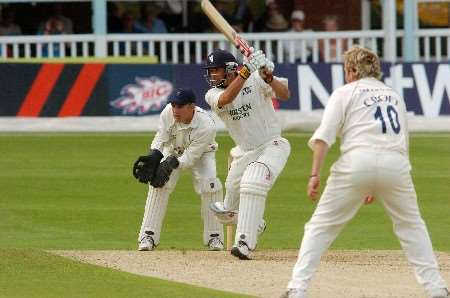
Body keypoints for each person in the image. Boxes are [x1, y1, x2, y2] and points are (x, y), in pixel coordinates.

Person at [281, 46, 449, 298]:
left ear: (350, 70)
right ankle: (436, 289)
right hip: (396, 165)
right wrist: (377, 183)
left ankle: (297, 289)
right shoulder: (394, 95)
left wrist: (314, 174)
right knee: (412, 226)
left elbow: (323, 139)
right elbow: (403, 142)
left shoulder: (345, 92)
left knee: (320, 227)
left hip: (356, 162)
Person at [204, 48, 291, 260]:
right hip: (244, 153)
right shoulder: (212, 95)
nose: (212, 75)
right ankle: (255, 223)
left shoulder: (255, 79)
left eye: (216, 70)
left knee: (252, 182)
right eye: (210, 71)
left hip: (273, 144)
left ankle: (244, 243)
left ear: (230, 69)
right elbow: (226, 98)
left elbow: (285, 95)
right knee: (226, 213)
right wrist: (245, 72)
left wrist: (268, 77)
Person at [133, 88, 224, 251]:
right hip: (172, 149)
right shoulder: (168, 113)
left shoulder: (206, 125)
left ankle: (214, 237)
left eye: (180, 106)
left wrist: (171, 164)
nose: (175, 110)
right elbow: (161, 137)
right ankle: (148, 236)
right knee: (158, 185)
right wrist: (154, 154)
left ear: (192, 107)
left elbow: (191, 157)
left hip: (202, 153)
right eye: (174, 105)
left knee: (210, 186)